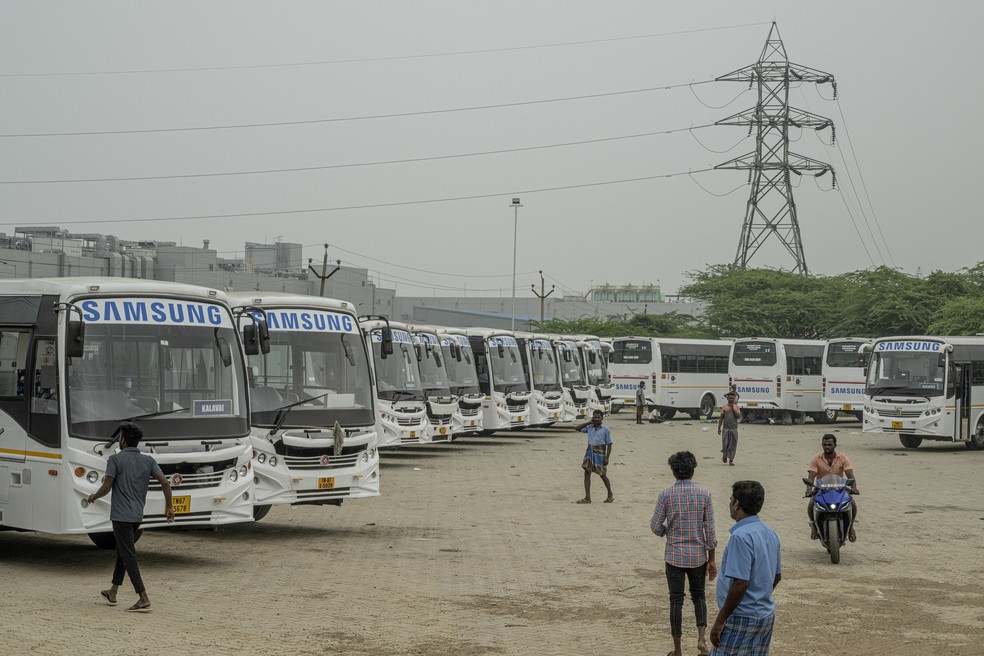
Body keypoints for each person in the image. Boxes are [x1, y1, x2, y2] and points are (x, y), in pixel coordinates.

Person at [87, 422, 174, 612]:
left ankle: (143, 597)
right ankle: (113, 591)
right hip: (136, 515)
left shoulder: (115, 460)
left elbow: (106, 487)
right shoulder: (148, 460)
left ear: (123, 440)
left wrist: (93, 497)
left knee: (128, 555)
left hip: (121, 516)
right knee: (122, 551)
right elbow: (166, 483)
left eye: (120, 438)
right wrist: (169, 506)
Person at [651, 451, 717, 656]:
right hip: (698, 556)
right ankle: (701, 639)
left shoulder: (666, 494)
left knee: (675, 600)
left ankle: (678, 649)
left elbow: (655, 526)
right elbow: (710, 531)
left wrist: (665, 532)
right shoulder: (704, 494)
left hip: (674, 556)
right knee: (699, 597)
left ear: (673, 471)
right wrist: (712, 559)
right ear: (693, 469)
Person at [710, 480, 782, 655]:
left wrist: (720, 620)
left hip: (741, 617)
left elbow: (740, 583)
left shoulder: (740, 537)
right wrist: (759, 596)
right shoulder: (770, 532)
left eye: (731, 500)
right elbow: (777, 576)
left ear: (737, 504)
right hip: (764, 615)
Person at [805, 433, 859, 542]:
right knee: (811, 504)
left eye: (829, 444)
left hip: (839, 488)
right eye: (824, 444)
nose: (827, 447)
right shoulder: (816, 459)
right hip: (821, 489)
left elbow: (850, 474)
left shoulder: (843, 458)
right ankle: (814, 526)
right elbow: (811, 476)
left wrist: (854, 487)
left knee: (852, 503)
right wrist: (809, 489)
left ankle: (851, 527)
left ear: (835, 445)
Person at [574, 409, 613, 504]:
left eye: (598, 417)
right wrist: (588, 422)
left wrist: (607, 457)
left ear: (602, 418)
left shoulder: (606, 429)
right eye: (595, 417)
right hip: (590, 452)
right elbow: (577, 428)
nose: (596, 419)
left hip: (600, 453)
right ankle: (587, 497)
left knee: (602, 474)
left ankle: (610, 495)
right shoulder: (589, 427)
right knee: (587, 472)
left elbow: (609, 444)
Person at [717, 391, 741, 466]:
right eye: (730, 398)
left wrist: (733, 408)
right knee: (725, 443)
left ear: (734, 399)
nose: (731, 400)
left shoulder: (736, 407)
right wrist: (719, 428)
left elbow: (739, 417)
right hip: (726, 428)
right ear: (727, 399)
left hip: (734, 428)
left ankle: (731, 460)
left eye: (732, 398)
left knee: (733, 444)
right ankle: (724, 455)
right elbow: (721, 418)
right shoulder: (724, 407)